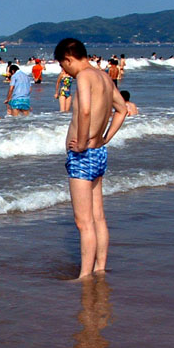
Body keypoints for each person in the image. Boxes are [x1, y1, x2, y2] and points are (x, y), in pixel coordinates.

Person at [54, 38, 127, 279]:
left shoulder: (84, 77)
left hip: (83, 155)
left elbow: (84, 110)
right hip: (99, 152)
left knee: (83, 222)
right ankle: (100, 268)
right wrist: (105, 137)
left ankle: (85, 276)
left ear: (68, 58)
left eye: (64, 66)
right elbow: (122, 109)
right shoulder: (104, 77)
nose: (65, 72)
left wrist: (83, 141)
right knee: (98, 217)